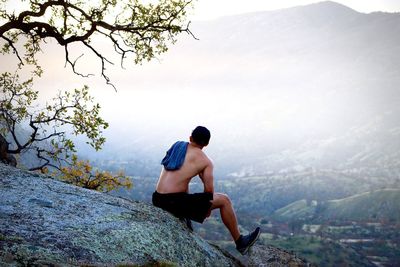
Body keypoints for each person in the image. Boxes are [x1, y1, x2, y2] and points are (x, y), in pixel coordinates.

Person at [152, 126, 260, 255]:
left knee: (185, 197)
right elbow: (208, 192)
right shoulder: (205, 161)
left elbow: (177, 177)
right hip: (173, 202)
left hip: (157, 198)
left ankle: (183, 214)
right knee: (224, 200)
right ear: (207, 144)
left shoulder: (177, 146)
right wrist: (207, 208)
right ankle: (240, 242)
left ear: (190, 138)